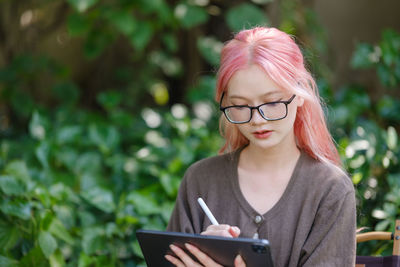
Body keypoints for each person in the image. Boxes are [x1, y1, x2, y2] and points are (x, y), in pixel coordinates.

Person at [165, 27, 356, 267]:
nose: (257, 120)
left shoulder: (329, 190)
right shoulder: (201, 180)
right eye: (241, 105)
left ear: (298, 94)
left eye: (272, 102)